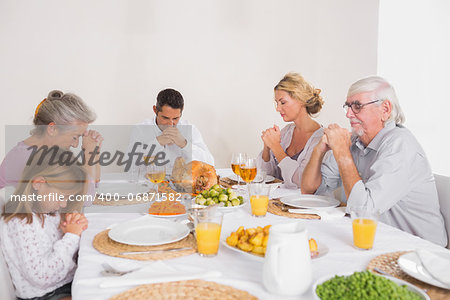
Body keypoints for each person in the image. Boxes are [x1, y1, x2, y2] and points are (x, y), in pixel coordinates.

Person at [301, 76, 447, 246]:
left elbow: (363, 212)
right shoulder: (356, 140)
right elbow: (309, 191)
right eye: (348, 106)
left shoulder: (400, 146)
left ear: (385, 109)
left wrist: (341, 151)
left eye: (357, 106)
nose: (348, 114)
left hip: (421, 252)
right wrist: (319, 150)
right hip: (381, 241)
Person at [1, 149, 89, 300]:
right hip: (45, 295)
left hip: (64, 285)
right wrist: (71, 237)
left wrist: (71, 228)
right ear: (38, 183)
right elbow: (42, 277)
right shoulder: (20, 223)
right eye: (62, 197)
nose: (64, 204)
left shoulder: (48, 211)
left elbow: (61, 255)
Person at [0, 90, 103, 203]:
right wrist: (90, 151)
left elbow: (94, 183)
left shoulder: (44, 152)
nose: (75, 144)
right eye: (75, 137)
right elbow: (84, 199)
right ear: (52, 129)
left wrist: (94, 150)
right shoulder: (33, 158)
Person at [257, 73, 324, 188]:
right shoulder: (287, 132)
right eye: (276, 103)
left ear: (301, 100)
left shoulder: (321, 139)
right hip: (282, 203)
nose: (278, 109)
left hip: (308, 204)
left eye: (283, 102)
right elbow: (267, 176)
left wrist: (276, 147)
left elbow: (301, 181)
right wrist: (267, 147)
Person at [128, 88, 214, 175]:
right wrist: (157, 143)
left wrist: (185, 144)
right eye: (165, 118)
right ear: (155, 110)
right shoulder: (140, 129)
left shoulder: (190, 129)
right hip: (149, 186)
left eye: (175, 118)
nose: (170, 124)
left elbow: (210, 164)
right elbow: (131, 169)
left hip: (182, 185)